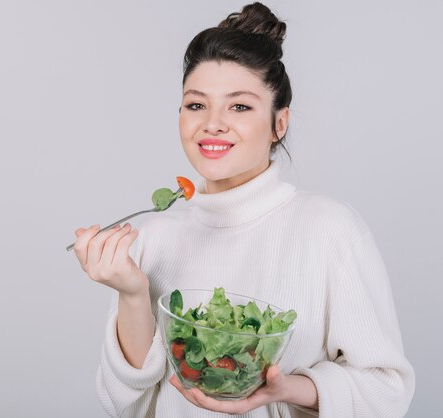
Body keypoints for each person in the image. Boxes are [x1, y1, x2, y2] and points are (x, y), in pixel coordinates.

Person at [72, 2, 415, 417]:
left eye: (239, 106)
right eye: (196, 105)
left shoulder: (329, 229)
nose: (212, 124)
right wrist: (132, 293)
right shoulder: (153, 236)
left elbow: (388, 392)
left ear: (279, 123)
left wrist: (288, 388)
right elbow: (123, 405)